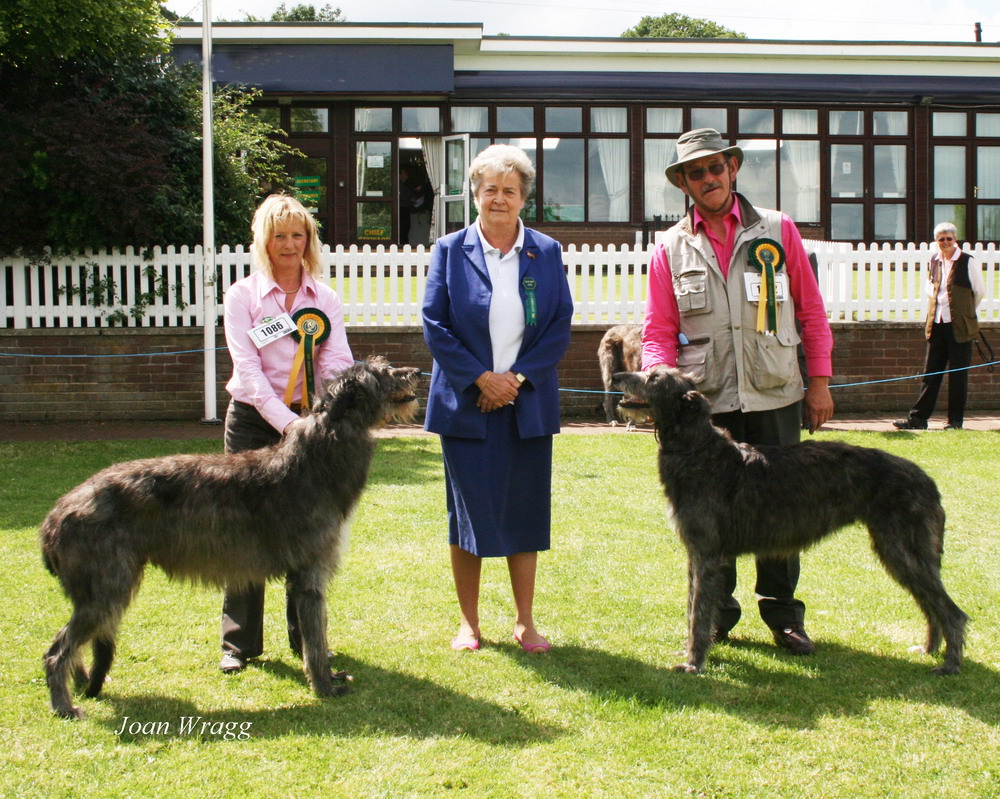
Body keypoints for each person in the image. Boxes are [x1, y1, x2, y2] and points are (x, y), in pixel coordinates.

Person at [642, 128, 835, 655]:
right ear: (683, 183)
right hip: (710, 402)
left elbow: (811, 311)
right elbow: (658, 330)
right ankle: (718, 617)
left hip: (776, 392)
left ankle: (783, 616)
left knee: (780, 510)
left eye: (715, 168)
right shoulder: (670, 246)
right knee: (710, 515)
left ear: (732, 168)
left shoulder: (778, 229)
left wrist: (818, 382)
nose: (708, 178)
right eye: (695, 172)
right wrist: (661, 385)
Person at [422, 144, 573, 654]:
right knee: (467, 516)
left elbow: (557, 327)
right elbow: (435, 324)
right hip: (465, 404)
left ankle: (526, 622)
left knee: (524, 513)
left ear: (524, 198)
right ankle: (469, 623)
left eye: (510, 190)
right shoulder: (448, 250)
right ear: (475, 194)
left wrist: (515, 380)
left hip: (526, 404)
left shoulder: (547, 253)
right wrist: (482, 379)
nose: (500, 199)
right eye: (490, 189)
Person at [218, 193, 353, 672]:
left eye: (299, 235)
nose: (290, 244)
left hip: (309, 425)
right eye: (280, 235)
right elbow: (249, 373)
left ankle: (306, 642)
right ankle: (239, 645)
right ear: (264, 241)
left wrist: (319, 415)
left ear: (309, 241)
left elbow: (337, 362)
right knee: (243, 532)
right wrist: (289, 423)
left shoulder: (325, 299)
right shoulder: (242, 297)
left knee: (308, 535)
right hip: (256, 422)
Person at [893, 222, 985, 431]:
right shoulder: (934, 260)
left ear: (955, 240)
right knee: (930, 374)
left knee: (958, 375)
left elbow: (978, 292)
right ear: (936, 242)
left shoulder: (967, 261)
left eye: (949, 239)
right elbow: (930, 289)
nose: (945, 243)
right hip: (937, 324)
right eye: (941, 239)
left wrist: (964, 313)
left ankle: (954, 422)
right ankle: (917, 419)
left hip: (960, 327)